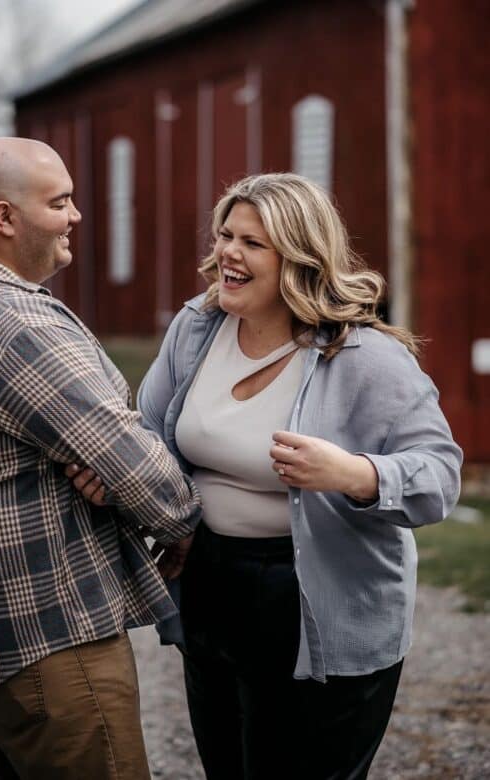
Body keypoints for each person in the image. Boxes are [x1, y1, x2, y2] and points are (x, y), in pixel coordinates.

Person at [70, 173, 462, 779]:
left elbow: (439, 476)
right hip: (210, 579)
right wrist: (116, 480)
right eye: (226, 234)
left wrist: (352, 472)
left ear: (300, 258)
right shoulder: (197, 330)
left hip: (313, 593)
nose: (228, 252)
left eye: (253, 243)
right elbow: (147, 439)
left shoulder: (364, 357)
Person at [0, 137, 202, 780]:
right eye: (59, 203)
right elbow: (142, 473)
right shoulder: (19, 326)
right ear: (6, 218)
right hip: (49, 640)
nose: (76, 216)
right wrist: (182, 522)